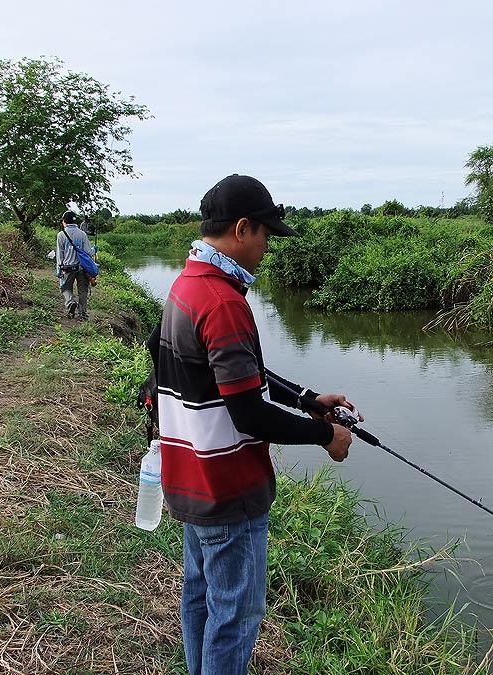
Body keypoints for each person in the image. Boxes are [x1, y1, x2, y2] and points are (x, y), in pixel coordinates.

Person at [154, 174, 358, 675]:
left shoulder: (186, 287)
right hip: (229, 491)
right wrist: (325, 435)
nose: (268, 246)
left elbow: (240, 378)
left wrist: (307, 399)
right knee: (236, 617)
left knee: (201, 602)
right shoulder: (225, 303)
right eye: (266, 234)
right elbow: (248, 413)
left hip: (190, 480)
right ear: (242, 229)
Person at [55, 210, 93, 320]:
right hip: (82, 267)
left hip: (67, 267)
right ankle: (82, 314)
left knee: (65, 288)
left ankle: (70, 302)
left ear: (64, 221)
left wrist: (59, 269)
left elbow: (60, 253)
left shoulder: (61, 235)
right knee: (83, 291)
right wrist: (94, 250)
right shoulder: (82, 234)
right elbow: (88, 252)